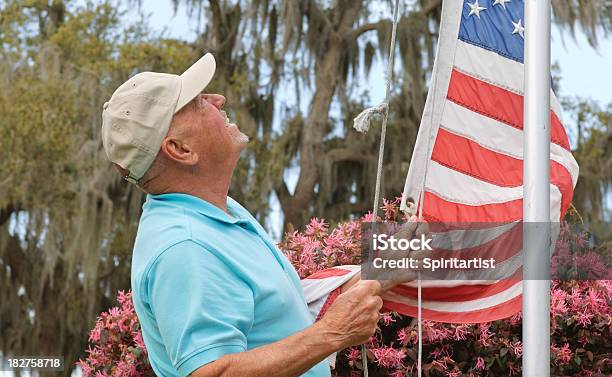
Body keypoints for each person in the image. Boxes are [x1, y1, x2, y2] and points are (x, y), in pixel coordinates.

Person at [101, 53, 420, 377]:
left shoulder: (215, 211)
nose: (217, 99)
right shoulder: (186, 247)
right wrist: (332, 333)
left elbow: (271, 316)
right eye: (198, 103)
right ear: (181, 150)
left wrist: (380, 271)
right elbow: (212, 373)